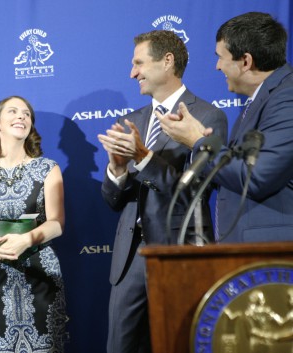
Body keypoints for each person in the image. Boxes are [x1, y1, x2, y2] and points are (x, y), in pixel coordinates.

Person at [97, 30, 228, 353]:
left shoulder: (208, 116)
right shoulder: (131, 120)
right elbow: (114, 200)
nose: (133, 73)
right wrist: (117, 169)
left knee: (179, 342)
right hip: (130, 257)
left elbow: (195, 190)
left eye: (139, 63)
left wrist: (143, 158)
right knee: (120, 346)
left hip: (178, 251)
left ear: (167, 61)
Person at [158, 12, 293, 243]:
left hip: (272, 257)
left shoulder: (286, 98)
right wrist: (203, 139)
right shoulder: (261, 101)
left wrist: (197, 142)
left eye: (221, 57)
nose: (217, 67)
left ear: (246, 61)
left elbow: (257, 176)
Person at [0, 96, 68, 352]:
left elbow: (57, 223)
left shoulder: (48, 168)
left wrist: (27, 239)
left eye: (26, 114)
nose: (21, 116)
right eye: (13, 111)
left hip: (41, 274)